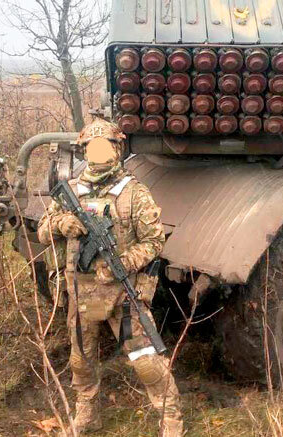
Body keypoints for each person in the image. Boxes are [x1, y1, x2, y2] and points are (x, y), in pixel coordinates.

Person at [37, 119, 183, 436]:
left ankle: (169, 418)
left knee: (146, 361)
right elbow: (41, 230)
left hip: (122, 292)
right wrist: (63, 224)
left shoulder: (134, 194)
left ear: (117, 151)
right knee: (80, 360)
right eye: (93, 147)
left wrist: (124, 262)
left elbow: (155, 242)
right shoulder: (70, 192)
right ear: (84, 152)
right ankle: (87, 412)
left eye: (106, 146)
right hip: (80, 291)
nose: (99, 153)